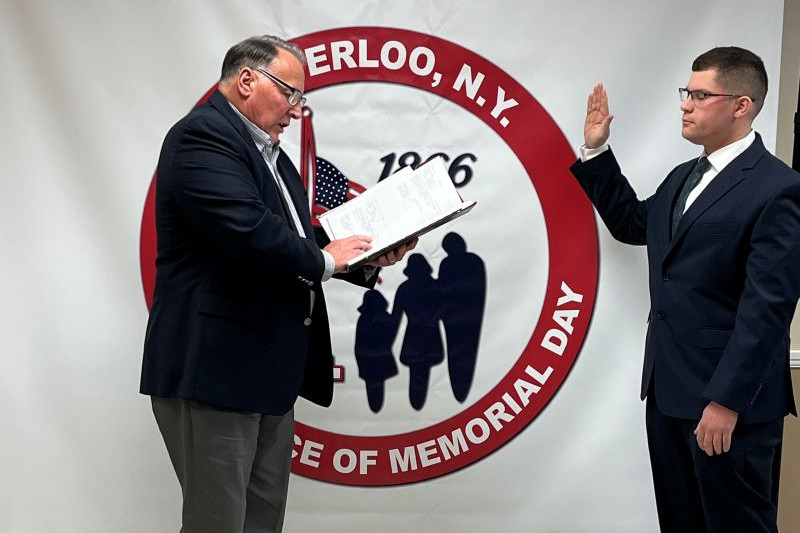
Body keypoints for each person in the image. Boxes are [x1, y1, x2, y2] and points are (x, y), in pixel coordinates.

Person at [140, 35, 415, 533]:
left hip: (268, 372)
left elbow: (296, 238)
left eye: (300, 97)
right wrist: (326, 260)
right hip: (215, 373)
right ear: (247, 80)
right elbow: (248, 231)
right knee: (217, 525)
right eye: (289, 93)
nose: (295, 109)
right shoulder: (202, 137)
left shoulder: (275, 156)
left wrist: (365, 256)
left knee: (261, 522)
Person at [570, 46, 800, 533]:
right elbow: (632, 224)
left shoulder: (778, 188)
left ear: (741, 105)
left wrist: (726, 401)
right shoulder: (683, 177)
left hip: (729, 406)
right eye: (686, 92)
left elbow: (767, 310)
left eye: (700, 95)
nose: (685, 104)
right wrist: (596, 151)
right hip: (669, 392)